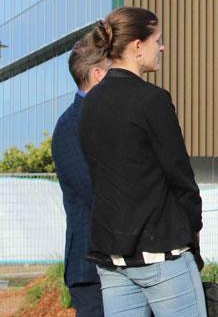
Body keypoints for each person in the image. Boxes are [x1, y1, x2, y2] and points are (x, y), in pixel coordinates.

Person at [78, 7, 206, 317]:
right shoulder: (153, 100)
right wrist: (193, 231)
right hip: (162, 252)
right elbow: (180, 177)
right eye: (157, 40)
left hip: (112, 256)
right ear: (137, 47)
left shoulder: (90, 103)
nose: (161, 47)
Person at [50, 37, 111, 317]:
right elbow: (94, 191)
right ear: (97, 74)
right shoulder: (69, 126)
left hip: (118, 264)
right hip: (92, 270)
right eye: (116, 69)